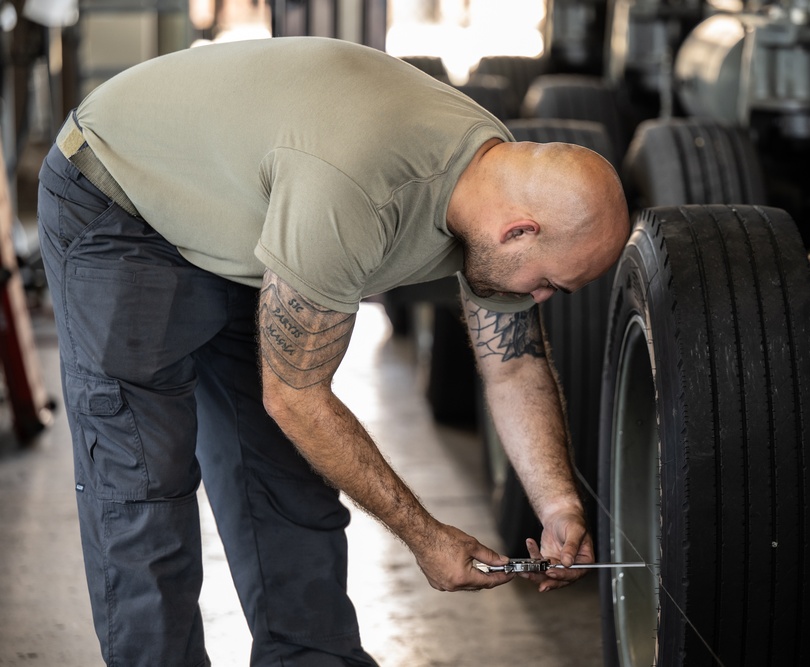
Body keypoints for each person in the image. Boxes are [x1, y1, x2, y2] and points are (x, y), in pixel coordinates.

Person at [37, 36, 630, 667]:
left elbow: (513, 365)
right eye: (548, 283)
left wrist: (559, 504)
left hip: (254, 217)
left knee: (288, 480)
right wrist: (425, 537)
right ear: (518, 230)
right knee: (145, 486)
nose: (539, 299)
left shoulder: (495, 176)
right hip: (123, 198)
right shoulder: (358, 185)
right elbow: (296, 399)